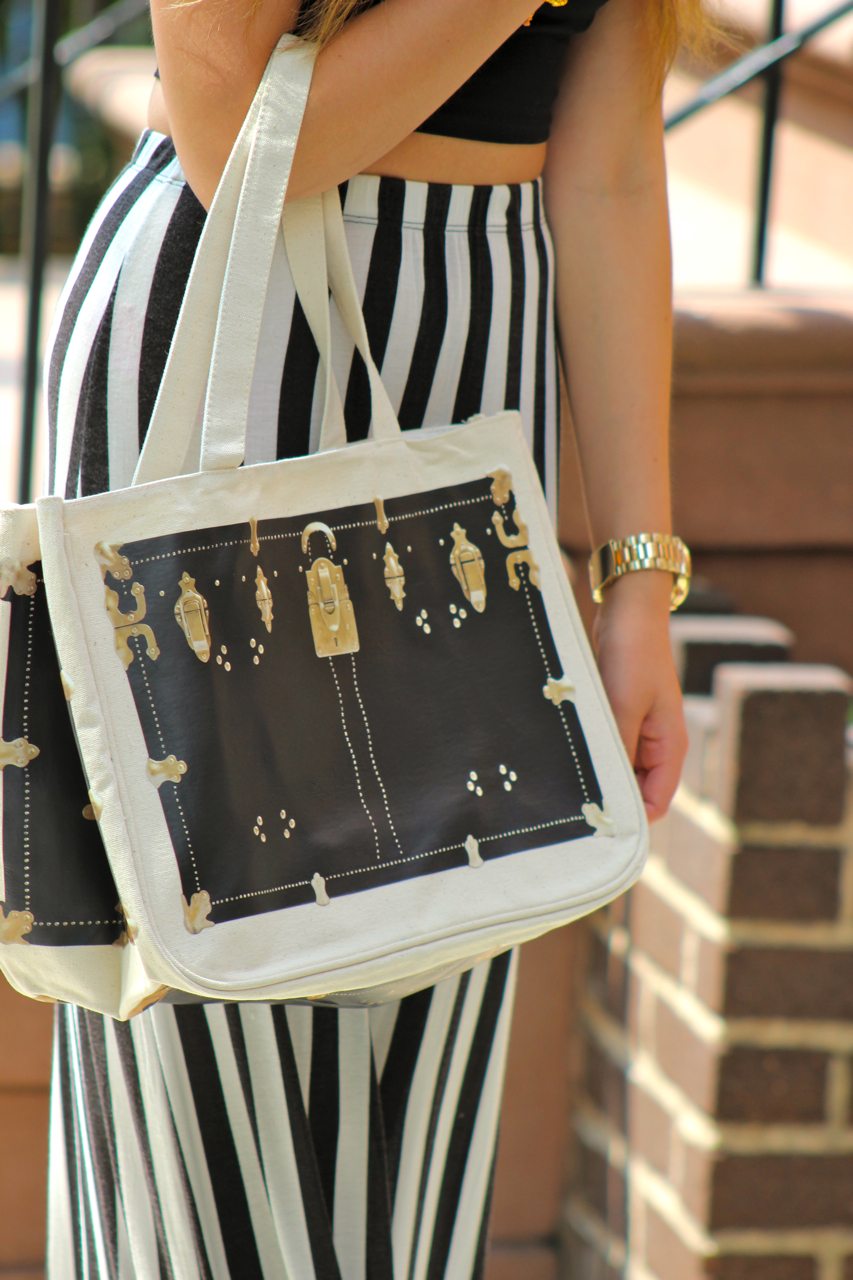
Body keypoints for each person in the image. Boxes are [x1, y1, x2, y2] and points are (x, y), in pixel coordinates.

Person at [44, 0, 719, 1274]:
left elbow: (616, 162)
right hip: (231, 355)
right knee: (203, 1105)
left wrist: (637, 573)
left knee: (419, 1110)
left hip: (478, 387)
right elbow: (232, 135)